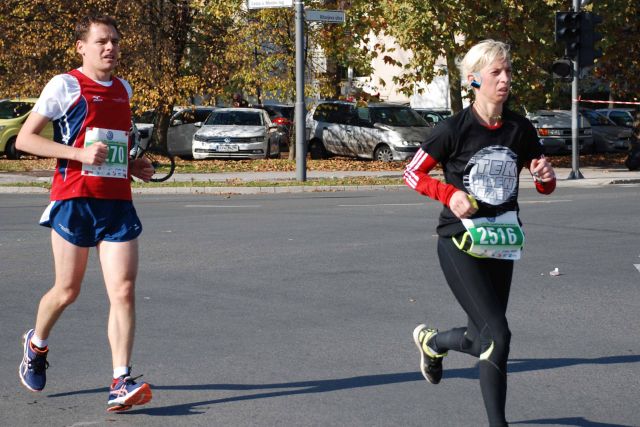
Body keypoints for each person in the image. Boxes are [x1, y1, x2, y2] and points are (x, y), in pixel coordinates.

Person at [403, 40, 556, 426]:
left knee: (479, 340)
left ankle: (432, 342)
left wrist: (545, 178)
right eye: (496, 73)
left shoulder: (520, 128)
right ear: (473, 80)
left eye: (508, 71)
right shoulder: (451, 129)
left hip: (501, 244)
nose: (505, 79)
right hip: (459, 242)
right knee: (498, 336)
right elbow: (411, 172)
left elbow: (544, 183)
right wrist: (449, 193)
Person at [16, 14, 154, 412]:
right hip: (74, 200)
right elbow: (25, 139)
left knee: (124, 291)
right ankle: (36, 344)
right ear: (81, 46)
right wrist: (76, 153)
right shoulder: (65, 85)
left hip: (116, 202)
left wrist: (132, 166)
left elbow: (112, 148)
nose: (110, 47)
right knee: (67, 291)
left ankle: (119, 380)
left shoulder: (123, 89)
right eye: (101, 42)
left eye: (115, 41)